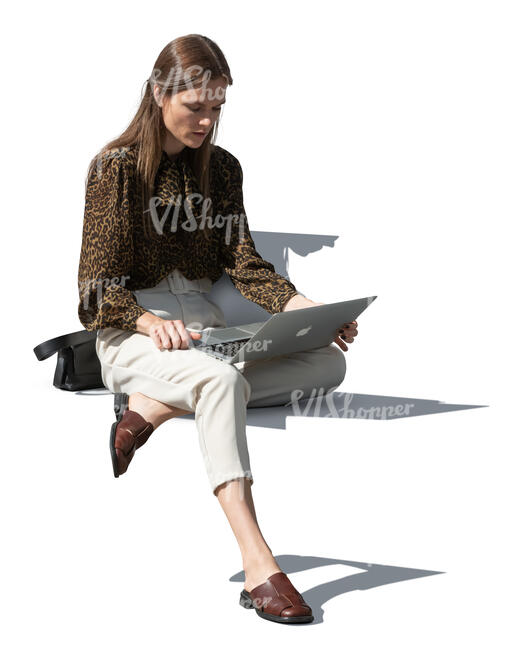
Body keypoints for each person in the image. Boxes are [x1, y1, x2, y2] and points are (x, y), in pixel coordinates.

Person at [77, 34, 358, 625]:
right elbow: (95, 288)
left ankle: (151, 406)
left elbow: (245, 265)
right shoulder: (115, 169)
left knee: (330, 364)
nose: (206, 121)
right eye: (195, 107)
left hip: (204, 335)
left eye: (217, 108)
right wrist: (150, 322)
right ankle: (259, 563)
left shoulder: (223, 169)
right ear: (159, 93)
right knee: (221, 385)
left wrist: (306, 308)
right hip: (132, 334)